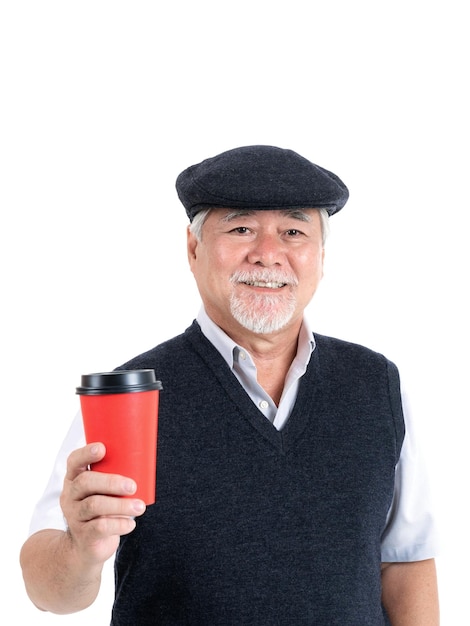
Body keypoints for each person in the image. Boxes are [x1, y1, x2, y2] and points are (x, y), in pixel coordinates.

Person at [20, 145, 439, 625]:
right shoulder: (130, 396)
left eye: (293, 232)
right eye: (240, 229)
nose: (267, 254)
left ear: (320, 256)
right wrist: (81, 547)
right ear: (193, 249)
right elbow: (47, 592)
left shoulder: (375, 385)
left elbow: (407, 563)